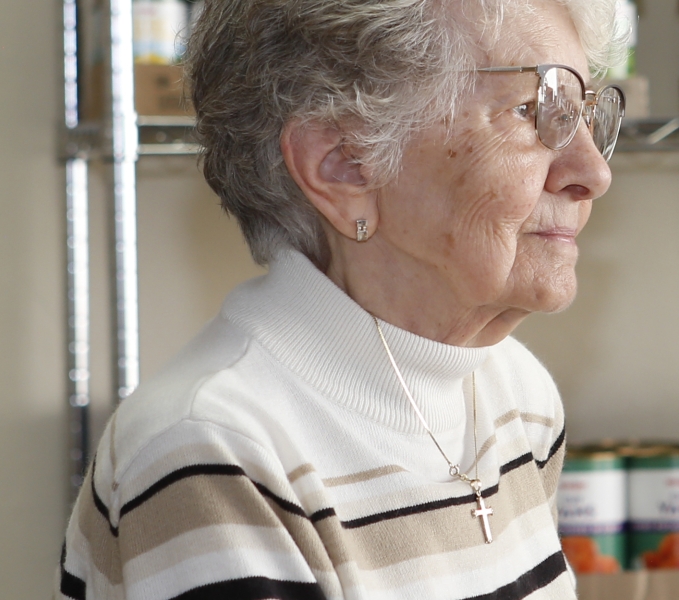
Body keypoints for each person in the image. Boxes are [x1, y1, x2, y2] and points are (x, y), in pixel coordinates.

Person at [57, 0, 626, 598]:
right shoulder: (217, 456)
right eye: (534, 111)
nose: (592, 171)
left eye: (582, 113)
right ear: (344, 166)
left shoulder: (516, 395)